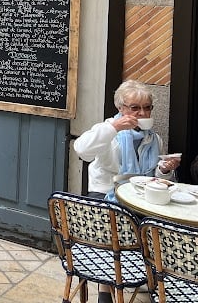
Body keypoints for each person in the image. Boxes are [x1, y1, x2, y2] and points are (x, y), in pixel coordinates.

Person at [73, 79, 181, 303]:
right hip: (106, 195)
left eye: (147, 107)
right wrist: (114, 127)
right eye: (135, 108)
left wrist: (163, 169)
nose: (142, 112)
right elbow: (82, 149)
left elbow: (153, 177)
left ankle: (153, 279)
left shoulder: (154, 139)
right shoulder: (108, 132)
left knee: (160, 225)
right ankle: (105, 288)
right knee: (116, 224)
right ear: (121, 109)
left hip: (140, 198)